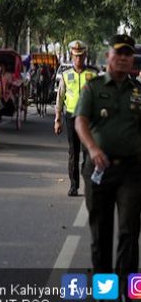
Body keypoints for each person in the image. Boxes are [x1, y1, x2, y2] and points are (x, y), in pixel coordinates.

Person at [74, 34, 141, 302]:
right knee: (101, 231)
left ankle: (128, 291)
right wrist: (92, 149)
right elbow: (80, 122)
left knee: (129, 231)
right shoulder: (92, 88)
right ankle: (105, 292)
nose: (124, 58)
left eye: (128, 54)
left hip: (132, 171)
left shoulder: (138, 91)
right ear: (108, 57)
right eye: (119, 53)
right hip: (99, 168)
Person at [54, 40, 98, 196]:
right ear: (72, 56)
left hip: (88, 119)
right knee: (74, 152)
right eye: (75, 56)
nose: (78, 59)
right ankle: (73, 186)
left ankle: (89, 185)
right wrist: (57, 119)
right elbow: (60, 98)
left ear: (85, 55)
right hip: (71, 117)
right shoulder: (66, 75)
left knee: (88, 153)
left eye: (81, 56)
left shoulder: (93, 74)